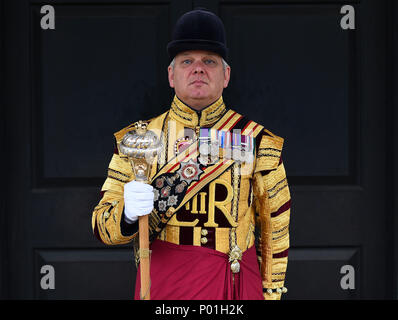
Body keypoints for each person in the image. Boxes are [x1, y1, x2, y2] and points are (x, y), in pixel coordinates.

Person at [91, 8, 291, 300]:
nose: (198, 69)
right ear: (171, 75)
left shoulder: (257, 140)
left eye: (209, 61)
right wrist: (127, 215)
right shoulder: (138, 141)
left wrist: (271, 294)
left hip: (233, 288)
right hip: (163, 287)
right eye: (187, 61)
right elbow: (102, 227)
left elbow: (276, 225)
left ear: (226, 76)